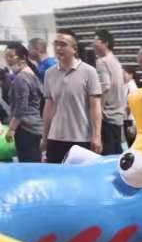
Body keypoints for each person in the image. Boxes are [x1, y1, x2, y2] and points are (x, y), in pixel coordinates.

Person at [42, 29, 103, 163]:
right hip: (55, 138)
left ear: (74, 49)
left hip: (81, 138)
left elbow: (95, 107)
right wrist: (44, 136)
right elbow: (48, 108)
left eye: (63, 44)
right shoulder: (49, 74)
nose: (58, 48)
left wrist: (97, 136)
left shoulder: (89, 72)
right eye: (56, 44)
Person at [4, 42, 43, 162]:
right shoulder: (32, 74)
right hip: (36, 125)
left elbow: (21, 108)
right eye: (6, 57)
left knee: (28, 163)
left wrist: (11, 129)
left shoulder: (21, 78)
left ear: (23, 57)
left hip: (26, 128)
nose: (8, 60)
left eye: (11, 56)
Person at [93, 29, 127, 156]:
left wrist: (99, 111)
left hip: (107, 116)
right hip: (118, 115)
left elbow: (105, 87)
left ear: (105, 43)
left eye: (96, 41)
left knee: (107, 156)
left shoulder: (102, 62)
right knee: (116, 155)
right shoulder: (116, 61)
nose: (93, 44)